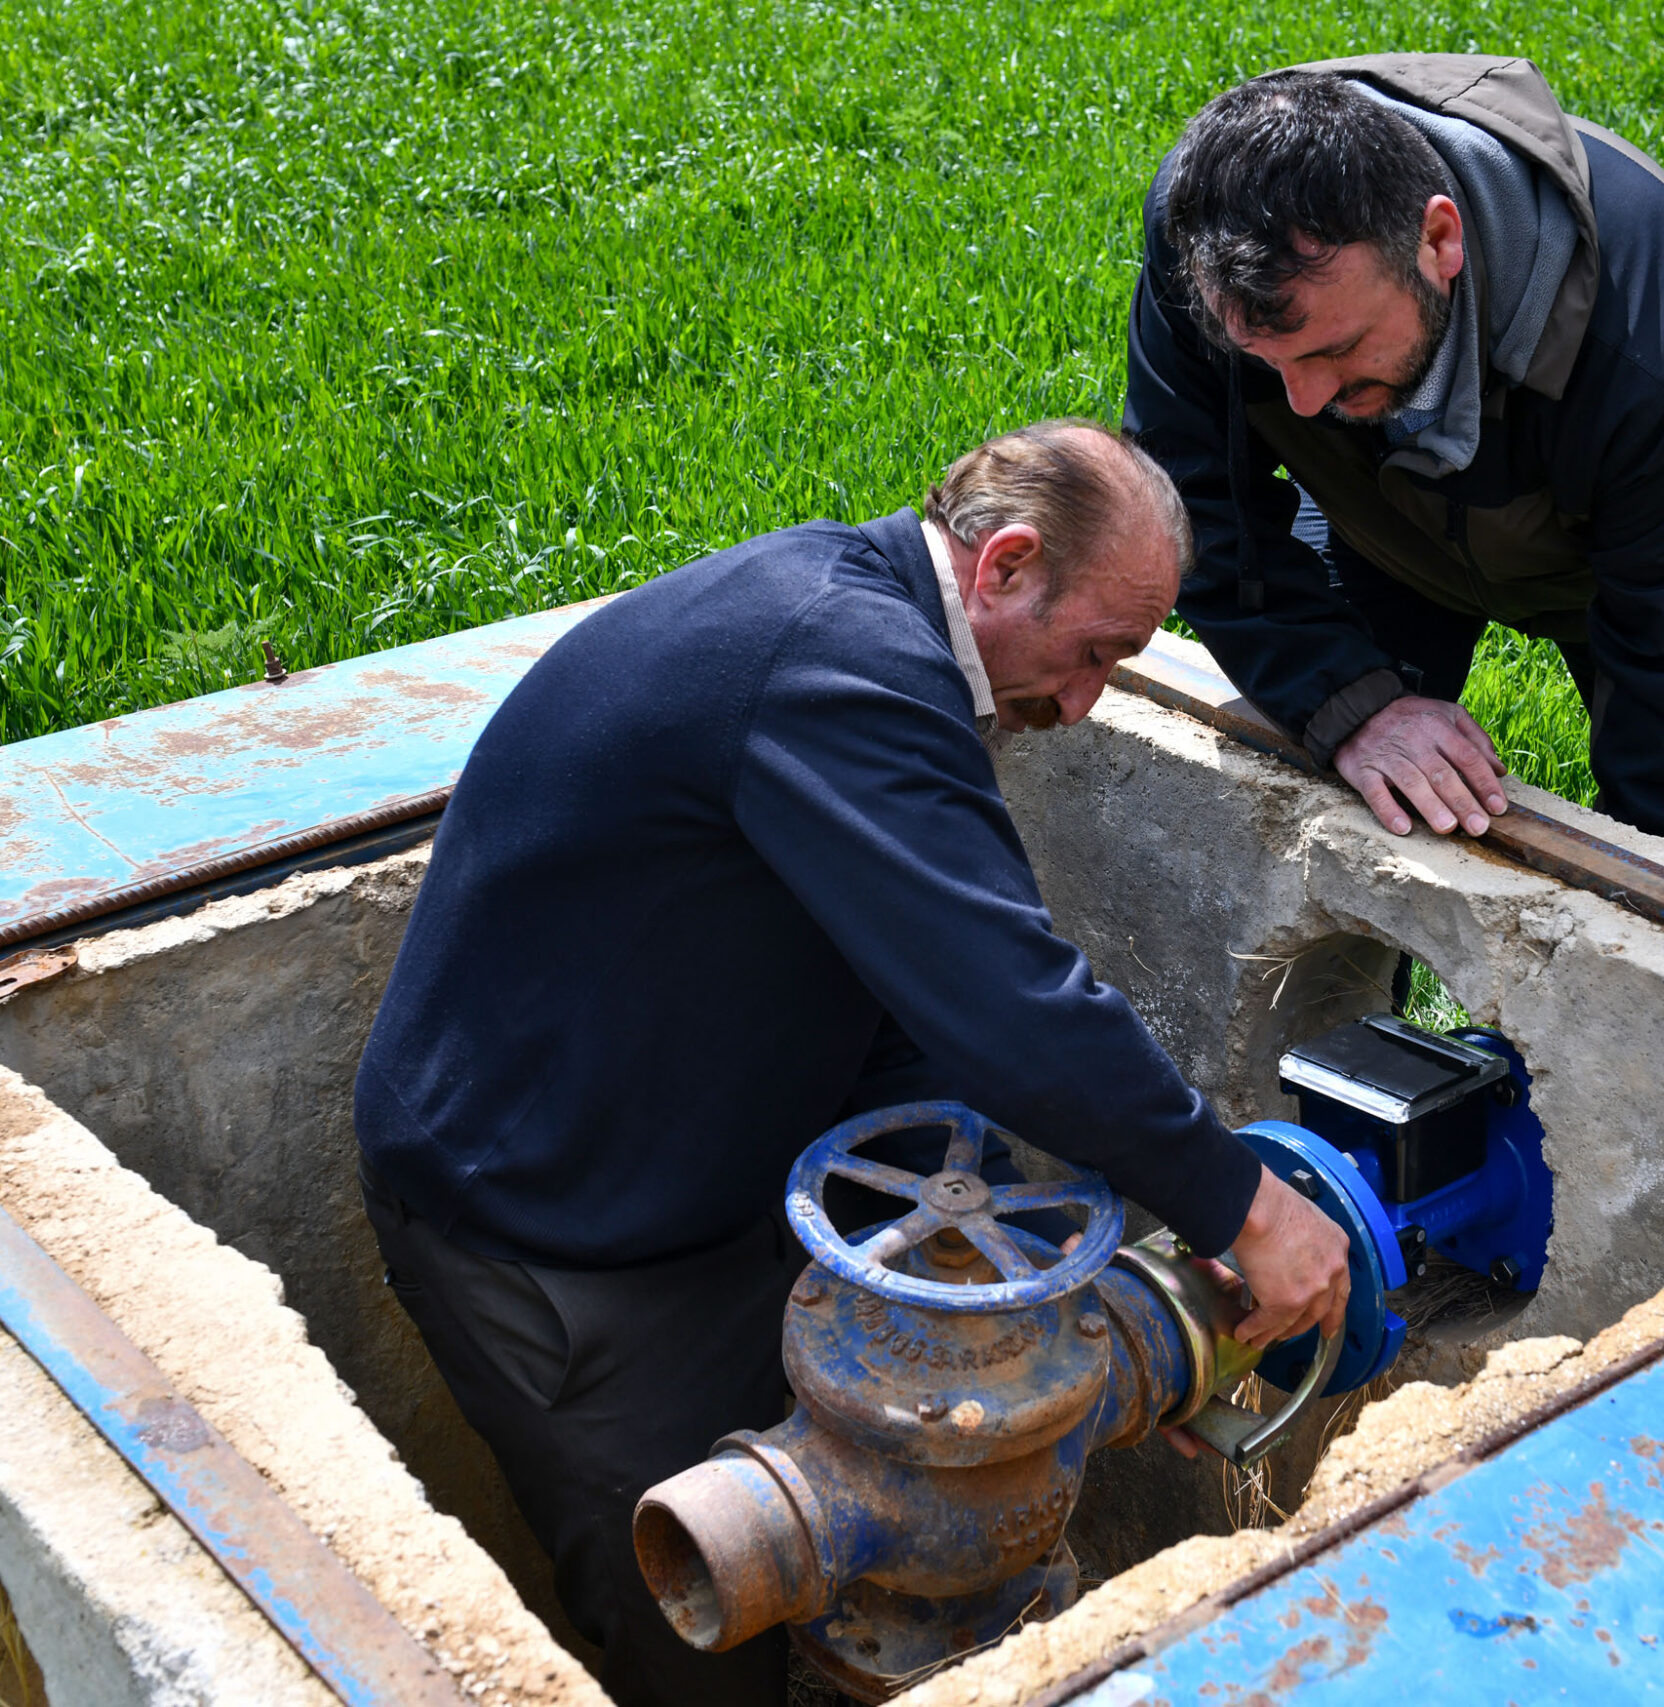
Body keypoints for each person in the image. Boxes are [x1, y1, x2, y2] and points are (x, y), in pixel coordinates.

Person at [352, 419, 1353, 1707]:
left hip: (697, 1171)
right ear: (1002, 566)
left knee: (842, 1566)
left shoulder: (872, 633)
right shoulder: (834, 672)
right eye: (1097, 649)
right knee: (701, 1620)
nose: (1090, 697)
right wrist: (1244, 1205)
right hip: (550, 1227)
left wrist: (1038, 1321)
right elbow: (1011, 1001)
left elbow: (912, 1010)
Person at [1126, 56, 1664, 891]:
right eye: (1266, 362)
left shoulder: (1643, 327)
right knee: (1344, 803)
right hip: (1382, 518)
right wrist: (1350, 702)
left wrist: (1638, 932)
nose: (1304, 400)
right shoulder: (1206, 239)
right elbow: (1193, 504)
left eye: (1336, 351)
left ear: (1439, 240)